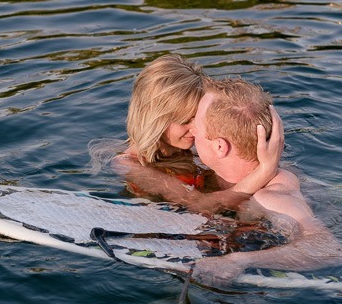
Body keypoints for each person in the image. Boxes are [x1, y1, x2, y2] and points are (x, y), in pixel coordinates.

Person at [182, 77, 342, 285]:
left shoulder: (272, 196)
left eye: (196, 125)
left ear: (220, 147)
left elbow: (330, 250)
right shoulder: (222, 172)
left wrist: (237, 261)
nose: (191, 130)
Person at [113, 54, 283, 214]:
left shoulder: (187, 148)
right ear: (154, 120)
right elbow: (197, 204)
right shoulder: (131, 165)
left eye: (198, 117)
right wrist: (265, 171)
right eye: (186, 120)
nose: (196, 128)